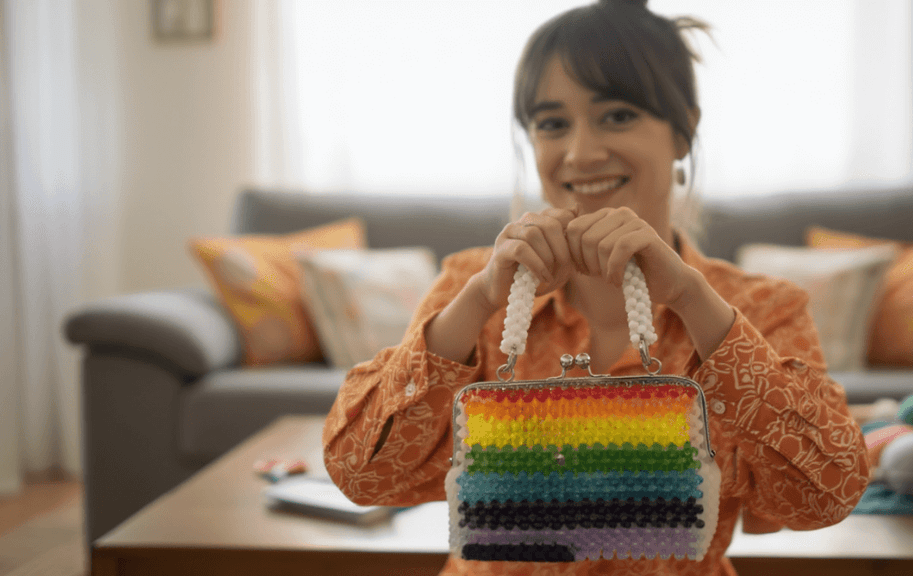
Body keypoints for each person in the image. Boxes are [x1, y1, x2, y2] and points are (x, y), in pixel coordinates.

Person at [323, 1, 870, 574]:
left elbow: (824, 494)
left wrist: (689, 296)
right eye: (552, 123)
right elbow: (361, 473)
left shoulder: (761, 310)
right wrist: (482, 296)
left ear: (683, 130)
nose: (581, 154)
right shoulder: (472, 291)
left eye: (617, 116)